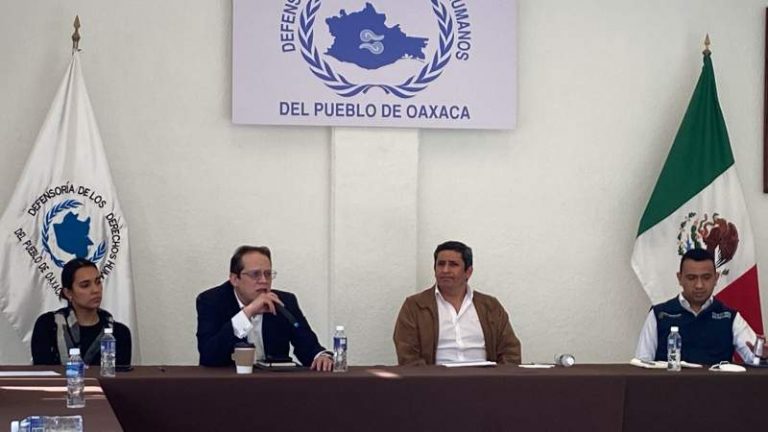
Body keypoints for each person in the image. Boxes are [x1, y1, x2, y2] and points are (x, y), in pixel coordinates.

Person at [196, 245, 333, 371]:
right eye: (255, 274)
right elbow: (209, 355)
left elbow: (307, 345)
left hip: (274, 383)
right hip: (230, 383)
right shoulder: (211, 301)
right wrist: (248, 312)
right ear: (235, 279)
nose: (264, 281)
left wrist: (321, 356)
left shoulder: (284, 302)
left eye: (268, 274)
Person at [393, 241, 522, 365]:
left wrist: (498, 377)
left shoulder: (490, 307)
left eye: (453, 264)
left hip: (485, 378)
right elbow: (408, 355)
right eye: (441, 264)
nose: (445, 270)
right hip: (435, 378)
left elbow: (510, 351)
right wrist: (429, 378)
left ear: (468, 272)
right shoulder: (414, 306)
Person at [635, 248, 767, 365]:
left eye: (706, 278)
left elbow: (755, 359)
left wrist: (763, 357)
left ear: (716, 278)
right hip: (669, 385)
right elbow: (642, 365)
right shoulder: (659, 315)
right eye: (691, 278)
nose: (699, 285)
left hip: (718, 385)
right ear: (680, 278)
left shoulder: (729, 317)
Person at [31, 258, 132, 366]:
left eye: (98, 282)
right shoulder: (48, 326)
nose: (96, 290)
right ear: (68, 293)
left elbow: (120, 375)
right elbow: (43, 372)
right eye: (85, 285)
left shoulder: (119, 333)